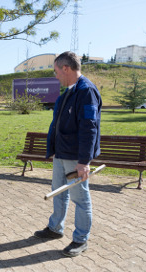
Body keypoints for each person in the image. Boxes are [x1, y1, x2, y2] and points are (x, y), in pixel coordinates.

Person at [34, 51, 102, 257]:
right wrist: (54, 149)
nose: (55, 76)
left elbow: (89, 128)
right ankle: (55, 228)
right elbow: (57, 124)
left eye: (56, 71)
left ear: (66, 68)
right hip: (61, 154)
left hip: (76, 157)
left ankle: (81, 240)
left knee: (80, 199)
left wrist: (84, 162)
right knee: (58, 192)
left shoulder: (86, 91)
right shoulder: (67, 93)